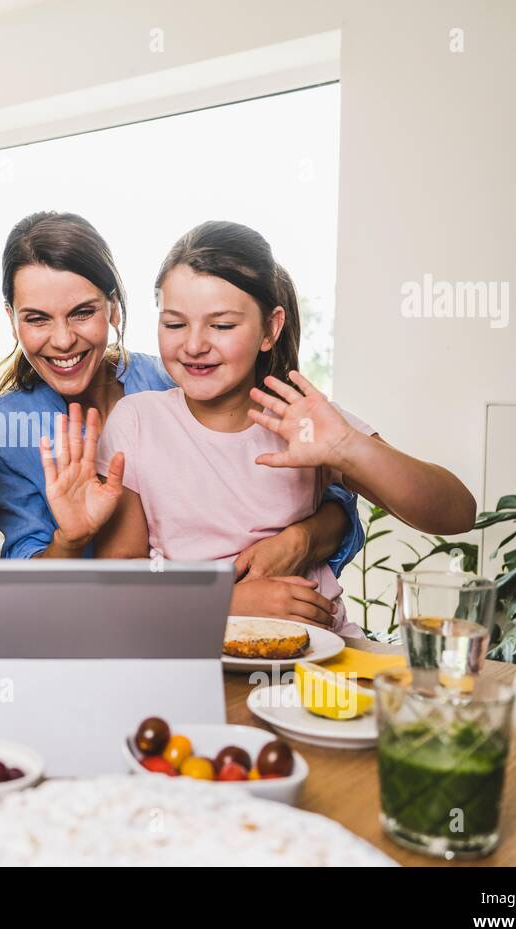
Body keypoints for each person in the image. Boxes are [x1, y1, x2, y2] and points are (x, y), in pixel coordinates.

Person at [91, 221, 476, 635]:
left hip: (320, 655)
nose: (194, 344)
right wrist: (227, 602)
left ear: (270, 329)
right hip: (198, 653)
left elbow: (457, 513)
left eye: (221, 325)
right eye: (174, 323)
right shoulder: (137, 422)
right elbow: (121, 582)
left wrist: (347, 447)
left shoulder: (308, 420)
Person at [0, 211, 362, 627]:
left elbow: (323, 491)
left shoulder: (178, 380)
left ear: (113, 308)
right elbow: (30, 591)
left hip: (245, 631)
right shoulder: (7, 428)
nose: (62, 339)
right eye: (36, 318)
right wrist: (69, 541)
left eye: (82, 312)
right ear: (11, 319)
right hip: (103, 631)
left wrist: (300, 539)